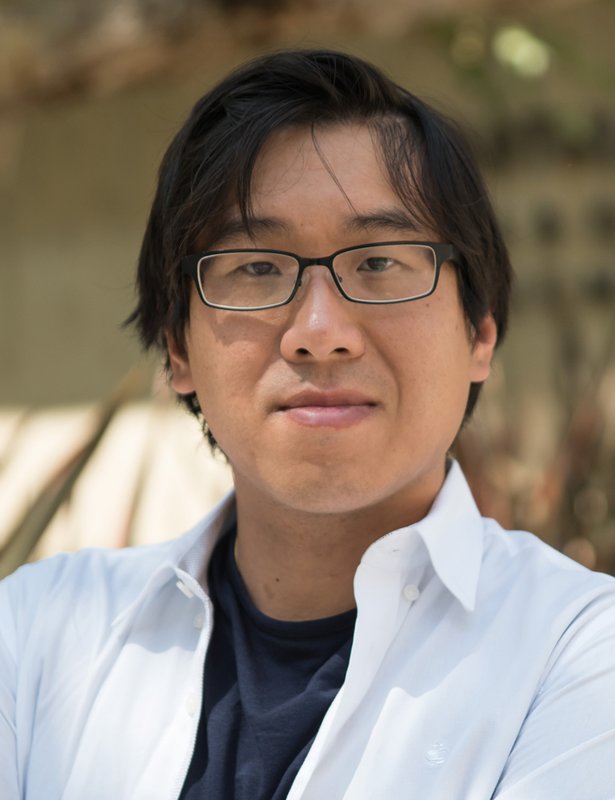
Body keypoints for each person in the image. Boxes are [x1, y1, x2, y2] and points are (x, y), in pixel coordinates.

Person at [1, 49, 614, 800]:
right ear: (176, 348)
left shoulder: (579, 655)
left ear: (479, 331)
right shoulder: (35, 636)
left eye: (381, 263)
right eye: (256, 267)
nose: (320, 332)